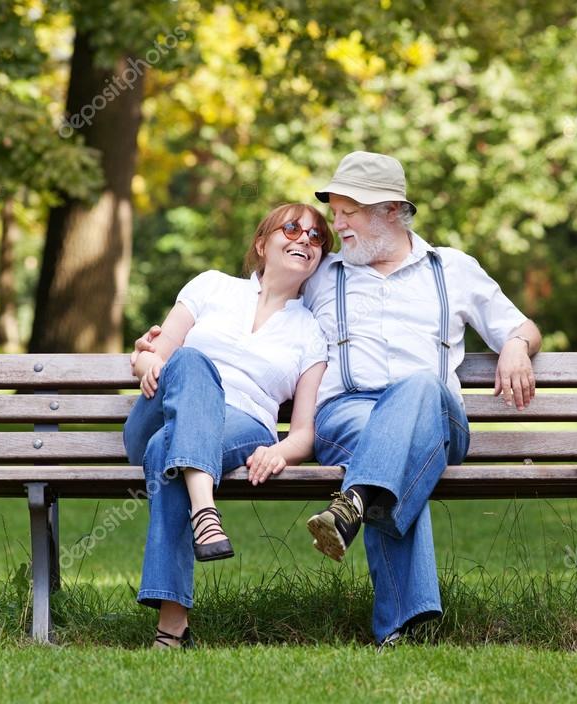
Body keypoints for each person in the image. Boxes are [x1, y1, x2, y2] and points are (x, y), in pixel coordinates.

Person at [300, 151, 542, 645]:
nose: (336, 223)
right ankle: (399, 621)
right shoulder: (321, 274)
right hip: (345, 417)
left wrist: (516, 345)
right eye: (335, 210)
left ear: (391, 210)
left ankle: (354, 503)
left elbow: (521, 326)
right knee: (389, 452)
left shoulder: (452, 268)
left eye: (350, 211)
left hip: (436, 419)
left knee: (417, 385)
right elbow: (251, 311)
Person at [122, 203, 332, 649]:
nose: (305, 240)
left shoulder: (311, 332)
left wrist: (281, 452)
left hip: (243, 426)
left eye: (317, 237)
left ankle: (171, 631)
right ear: (262, 244)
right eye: (292, 228)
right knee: (194, 362)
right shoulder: (211, 286)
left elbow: (303, 433)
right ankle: (205, 509)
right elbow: (156, 353)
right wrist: (142, 359)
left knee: (168, 451)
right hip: (159, 409)